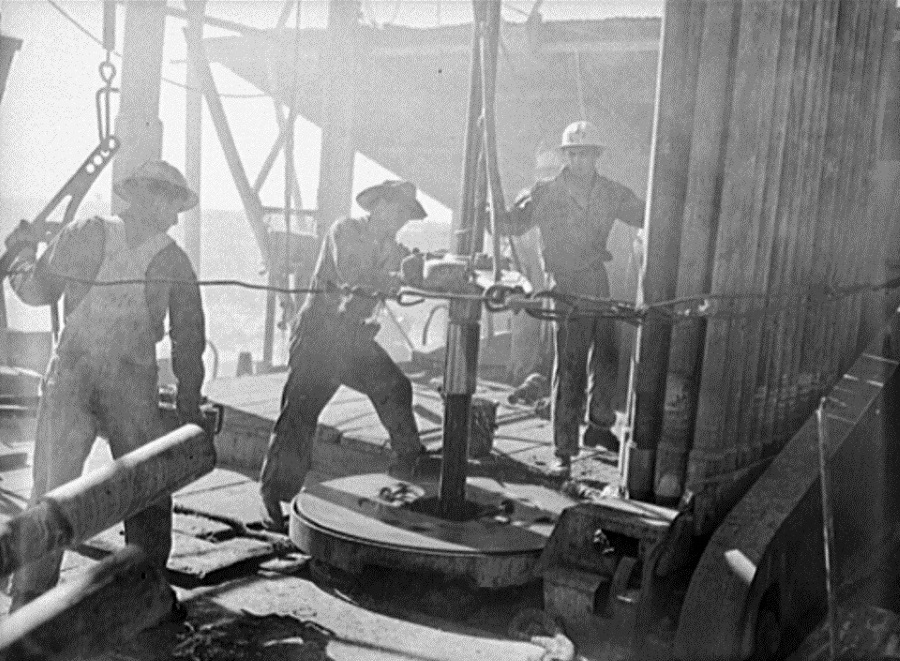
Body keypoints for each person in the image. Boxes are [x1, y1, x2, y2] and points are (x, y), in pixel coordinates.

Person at [4, 160, 206, 611]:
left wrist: (19, 257)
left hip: (78, 379)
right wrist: (189, 405)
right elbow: (188, 341)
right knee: (146, 487)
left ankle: (30, 600)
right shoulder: (170, 259)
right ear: (147, 198)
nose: (175, 218)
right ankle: (145, 591)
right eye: (172, 205)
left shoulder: (86, 234)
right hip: (121, 385)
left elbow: (36, 291)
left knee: (54, 490)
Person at [260, 179, 428, 531]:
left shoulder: (394, 249)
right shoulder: (346, 230)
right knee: (300, 416)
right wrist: (398, 277)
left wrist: (430, 271)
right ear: (377, 205)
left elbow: (412, 272)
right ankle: (273, 496)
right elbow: (354, 273)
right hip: (319, 337)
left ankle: (410, 464)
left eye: (405, 215)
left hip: (353, 340)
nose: (400, 220)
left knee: (395, 388)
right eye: (396, 210)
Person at [498, 121, 645, 477]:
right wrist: (494, 213)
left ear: (597, 157)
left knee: (607, 356)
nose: (581, 161)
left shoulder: (611, 193)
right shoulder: (543, 193)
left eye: (587, 154)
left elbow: (645, 215)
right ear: (565, 156)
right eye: (574, 154)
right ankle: (563, 449)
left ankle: (599, 425)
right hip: (563, 286)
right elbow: (511, 226)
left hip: (597, 279)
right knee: (570, 364)